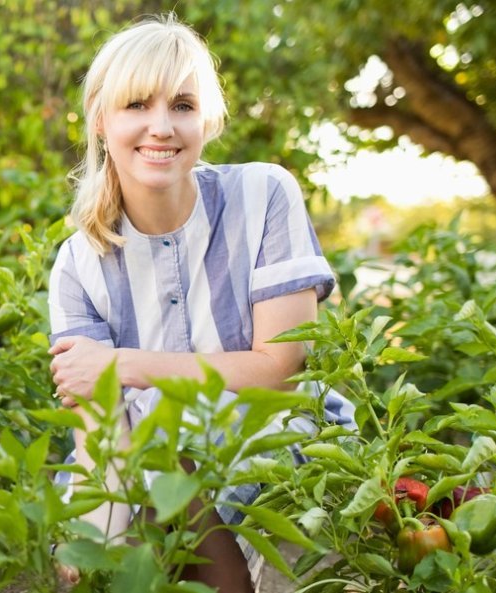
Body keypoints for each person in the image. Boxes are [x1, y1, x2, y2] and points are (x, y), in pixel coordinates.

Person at [46, 14, 354, 592]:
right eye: (137, 105)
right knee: (120, 524)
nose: (161, 127)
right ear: (100, 120)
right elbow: (96, 419)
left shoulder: (264, 194)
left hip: (273, 436)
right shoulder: (78, 263)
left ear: (207, 120)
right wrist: (97, 533)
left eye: (182, 106)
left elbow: (280, 369)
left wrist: (123, 366)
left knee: (160, 451)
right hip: (150, 458)